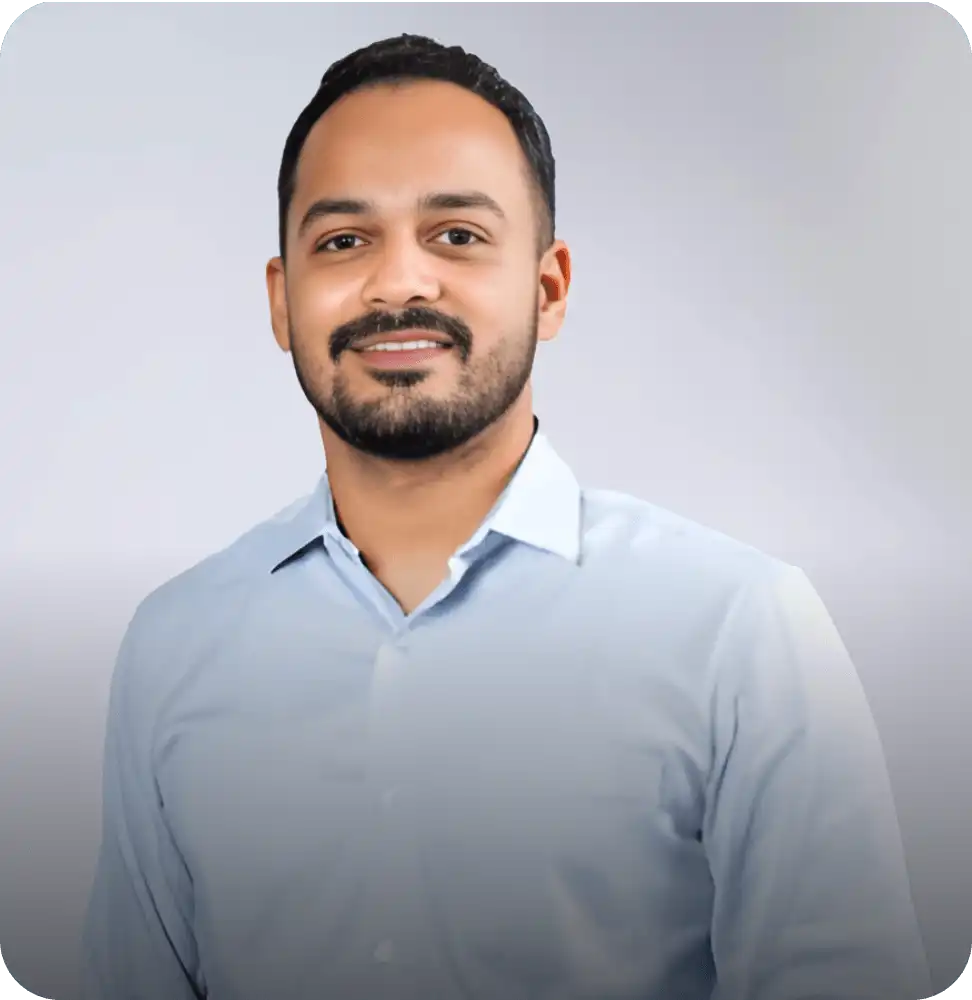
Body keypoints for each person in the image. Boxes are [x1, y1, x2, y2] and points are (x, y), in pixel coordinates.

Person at [81, 33, 933, 1000]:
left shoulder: (744, 632)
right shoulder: (173, 643)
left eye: (457, 235)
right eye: (343, 241)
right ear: (283, 302)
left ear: (549, 287)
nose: (399, 283)